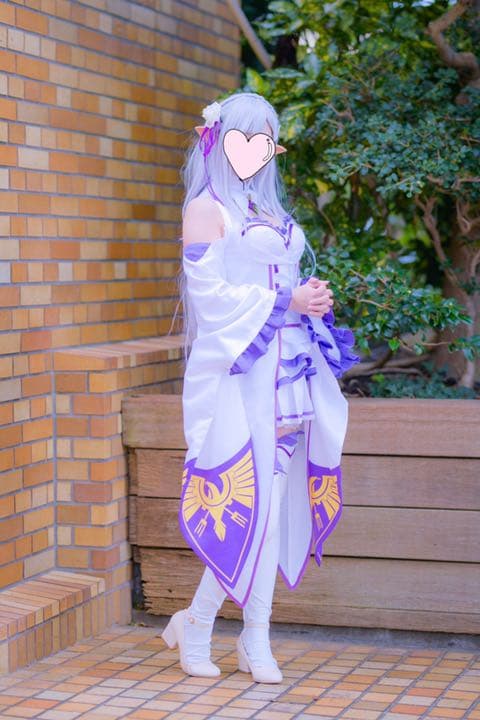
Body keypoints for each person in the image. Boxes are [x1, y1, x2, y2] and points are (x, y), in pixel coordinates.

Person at [161, 92, 360, 683]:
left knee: (272, 506)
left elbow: (284, 282)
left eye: (267, 140)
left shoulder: (262, 206)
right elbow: (211, 298)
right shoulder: (206, 209)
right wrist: (285, 300)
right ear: (222, 141)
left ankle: (243, 634)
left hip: (290, 374)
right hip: (242, 376)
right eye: (250, 138)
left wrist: (310, 300)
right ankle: (208, 627)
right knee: (256, 509)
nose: (259, 151)